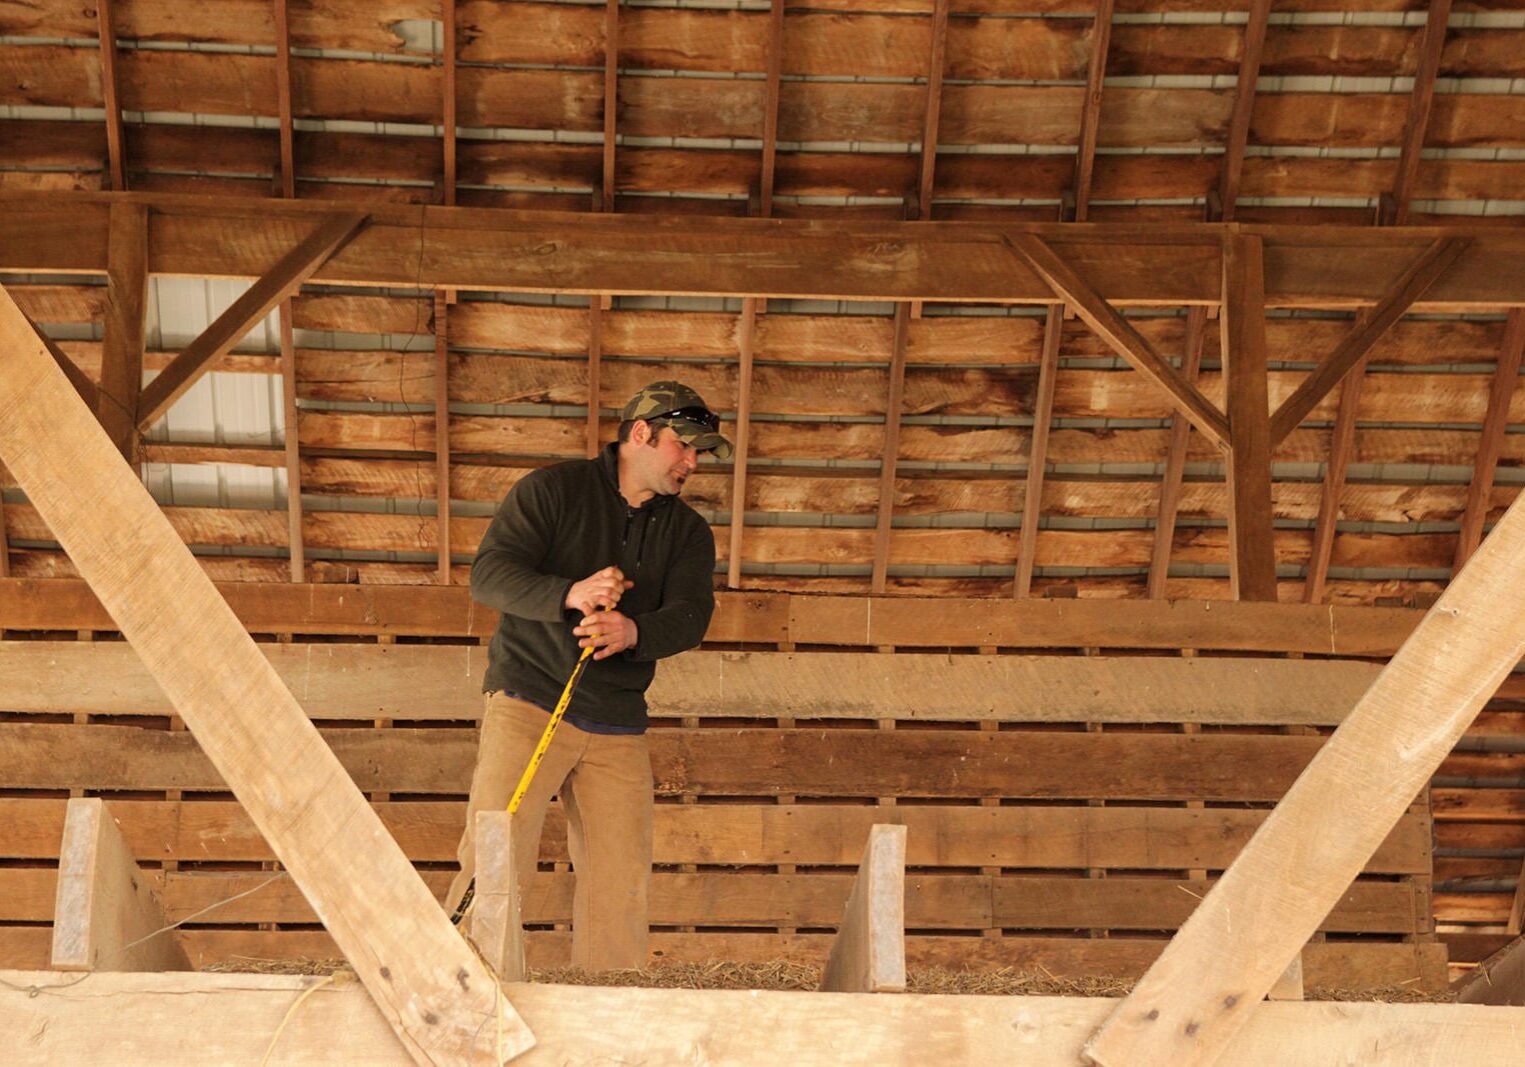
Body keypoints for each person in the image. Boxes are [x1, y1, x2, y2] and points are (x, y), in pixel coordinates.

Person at [445, 381, 731, 971]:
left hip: (617, 720)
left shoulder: (688, 533)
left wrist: (635, 634)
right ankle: (471, 996)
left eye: (700, 453)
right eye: (685, 447)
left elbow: (692, 615)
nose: (692, 464)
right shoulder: (552, 491)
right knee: (497, 855)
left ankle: (610, 1020)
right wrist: (568, 594)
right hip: (530, 699)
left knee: (620, 880)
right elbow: (489, 575)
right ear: (642, 433)